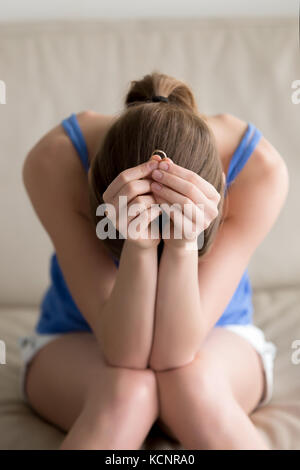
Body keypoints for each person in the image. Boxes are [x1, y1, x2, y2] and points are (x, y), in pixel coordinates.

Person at [19, 72, 289, 450]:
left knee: (191, 382)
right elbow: (125, 355)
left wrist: (182, 246)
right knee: (129, 392)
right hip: (77, 338)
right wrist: (139, 246)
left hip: (218, 336)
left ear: (221, 185)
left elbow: (174, 355)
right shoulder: (56, 159)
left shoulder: (258, 168)